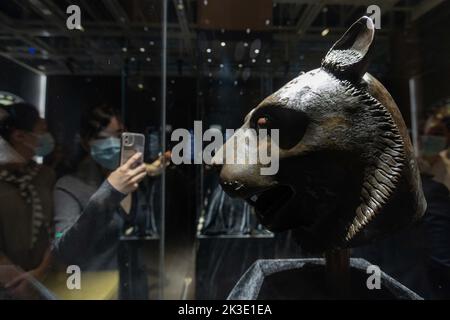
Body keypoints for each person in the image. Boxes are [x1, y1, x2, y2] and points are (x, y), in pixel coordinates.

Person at [52, 104, 166, 299]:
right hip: (96, 292)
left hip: (135, 288)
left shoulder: (134, 183)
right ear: (88, 143)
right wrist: (109, 192)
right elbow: (63, 251)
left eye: (120, 135)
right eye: (105, 138)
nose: (114, 143)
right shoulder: (69, 186)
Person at [0, 103, 55, 298]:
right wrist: (17, 283)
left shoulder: (46, 176)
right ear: (19, 136)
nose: (47, 138)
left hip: (44, 284)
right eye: (42, 131)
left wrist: (38, 276)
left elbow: (58, 229)